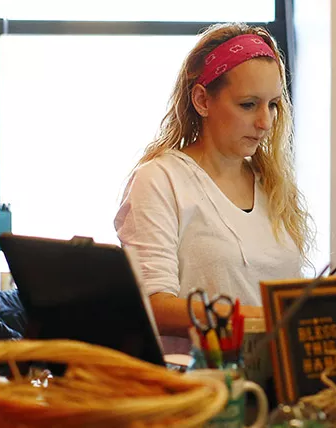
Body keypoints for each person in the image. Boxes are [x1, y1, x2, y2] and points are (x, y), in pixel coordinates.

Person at [115, 23, 314, 346]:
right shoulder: (161, 180)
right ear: (202, 101)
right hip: (198, 374)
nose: (265, 122)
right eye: (248, 104)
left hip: (277, 369)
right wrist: (267, 319)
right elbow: (155, 306)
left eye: (273, 105)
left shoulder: (272, 185)